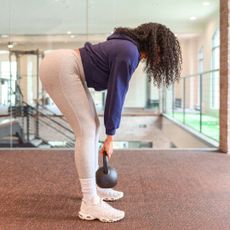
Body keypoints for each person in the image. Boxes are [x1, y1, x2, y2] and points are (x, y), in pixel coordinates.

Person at [39, 22, 182, 223]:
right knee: (87, 130)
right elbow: (117, 94)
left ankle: (94, 191)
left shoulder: (127, 46)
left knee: (92, 127)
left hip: (63, 64)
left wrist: (107, 132)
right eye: (161, 51)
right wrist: (111, 136)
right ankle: (90, 202)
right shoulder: (129, 52)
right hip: (62, 66)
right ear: (153, 44)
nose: (160, 57)